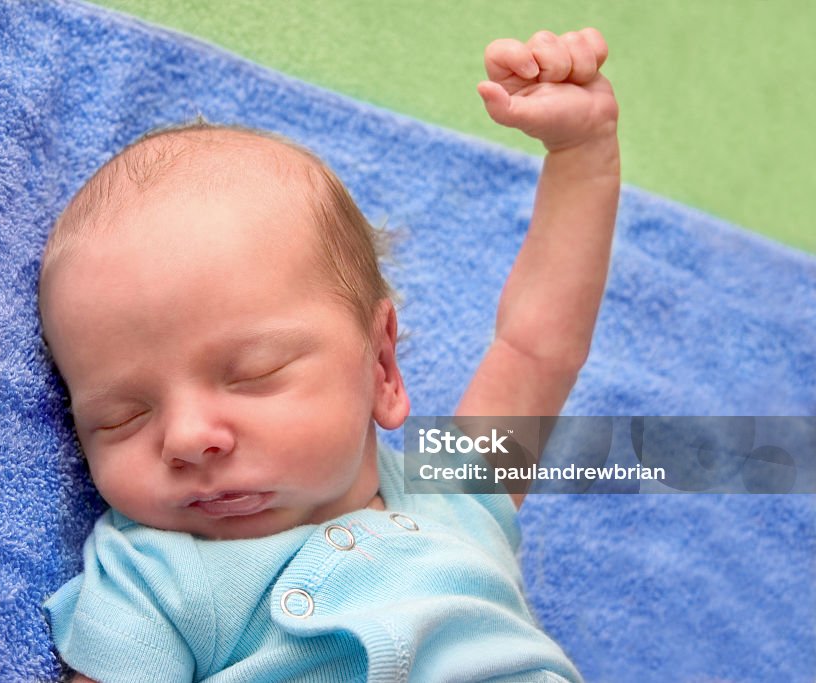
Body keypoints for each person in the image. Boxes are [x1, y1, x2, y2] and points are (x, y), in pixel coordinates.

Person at [40, 27, 619, 683]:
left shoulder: (456, 486)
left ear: (381, 369)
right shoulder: (153, 574)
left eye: (251, 375)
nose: (189, 436)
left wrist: (583, 155)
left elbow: (538, 346)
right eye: (122, 417)